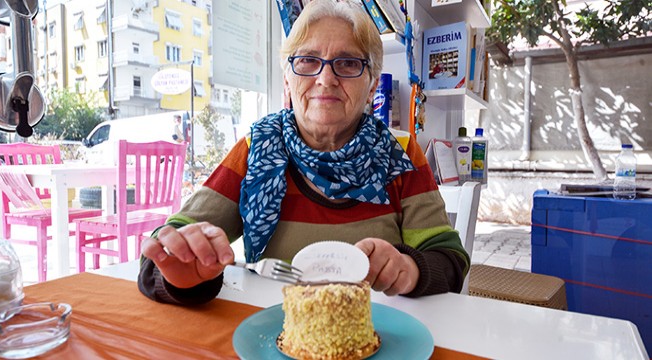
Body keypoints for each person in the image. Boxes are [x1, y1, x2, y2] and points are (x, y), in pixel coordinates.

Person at [138, 0, 469, 305]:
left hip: (376, 333)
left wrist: (409, 268)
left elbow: (449, 259)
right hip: (269, 334)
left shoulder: (402, 153)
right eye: (308, 60)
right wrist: (181, 274)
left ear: (371, 86)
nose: (325, 79)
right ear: (287, 81)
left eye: (348, 63)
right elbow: (168, 248)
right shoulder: (257, 148)